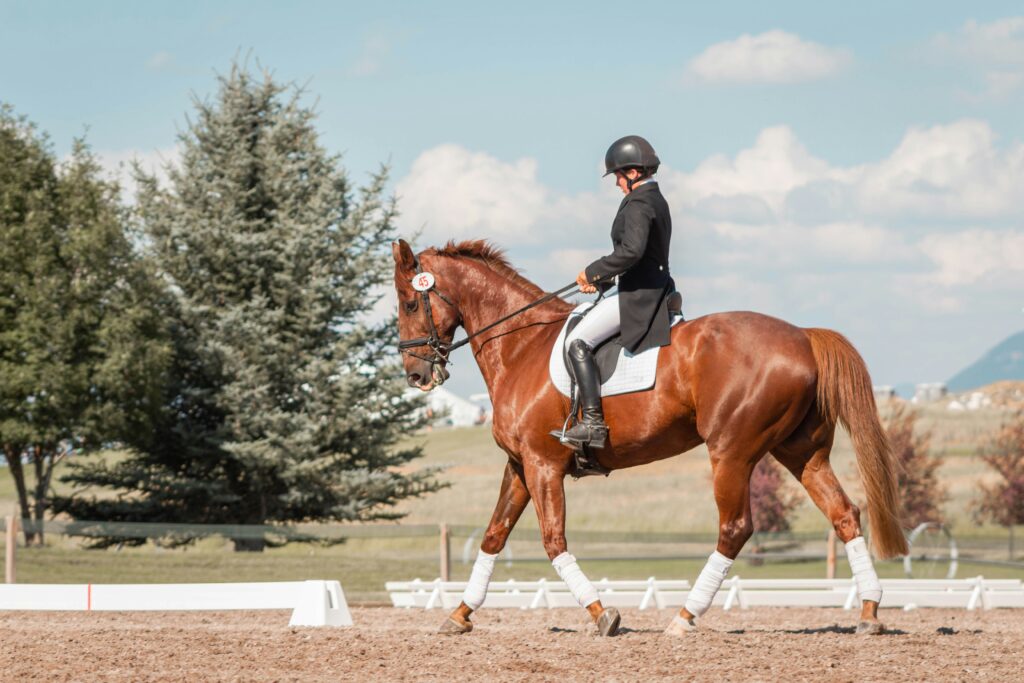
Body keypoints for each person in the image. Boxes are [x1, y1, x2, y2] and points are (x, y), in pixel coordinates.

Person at [560, 135, 675, 449]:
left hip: (640, 295)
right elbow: (643, 256)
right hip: (648, 285)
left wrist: (593, 271)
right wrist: (604, 281)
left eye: (618, 176)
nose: (616, 183)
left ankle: (593, 422)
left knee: (577, 341)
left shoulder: (639, 202)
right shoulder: (654, 198)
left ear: (633, 173)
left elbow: (632, 252)